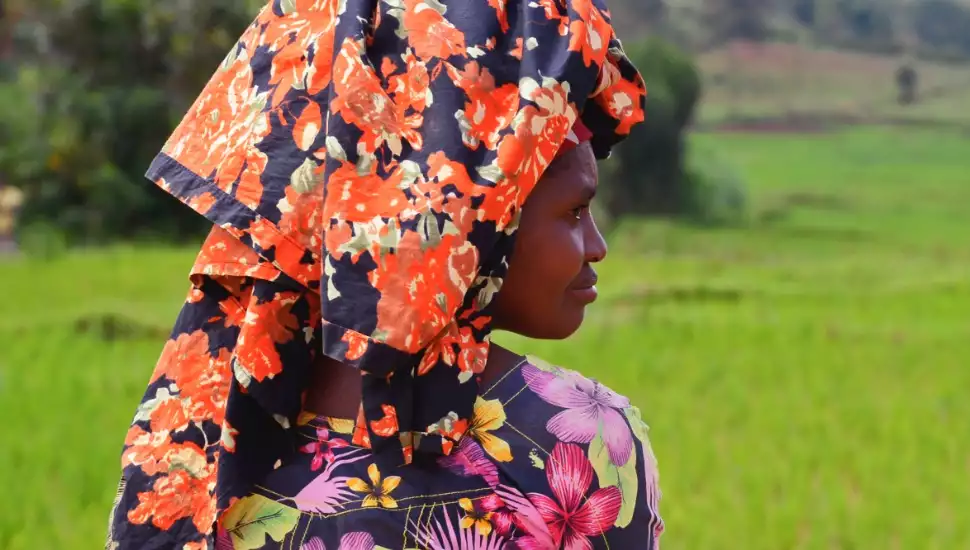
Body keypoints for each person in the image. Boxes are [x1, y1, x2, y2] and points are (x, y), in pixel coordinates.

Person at [104, 0, 658, 548]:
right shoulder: (579, 444)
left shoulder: (195, 444)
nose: (597, 248)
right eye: (574, 211)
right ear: (466, 217)